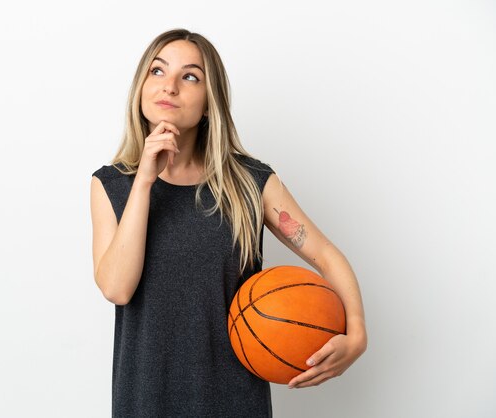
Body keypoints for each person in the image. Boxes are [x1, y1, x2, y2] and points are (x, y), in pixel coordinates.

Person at [90, 28, 367, 417]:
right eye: (157, 71)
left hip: (235, 402)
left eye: (190, 76)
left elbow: (322, 253)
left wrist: (356, 334)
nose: (169, 86)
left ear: (208, 103)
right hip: (145, 401)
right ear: (140, 90)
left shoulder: (250, 183)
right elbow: (117, 288)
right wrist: (144, 182)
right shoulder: (112, 185)